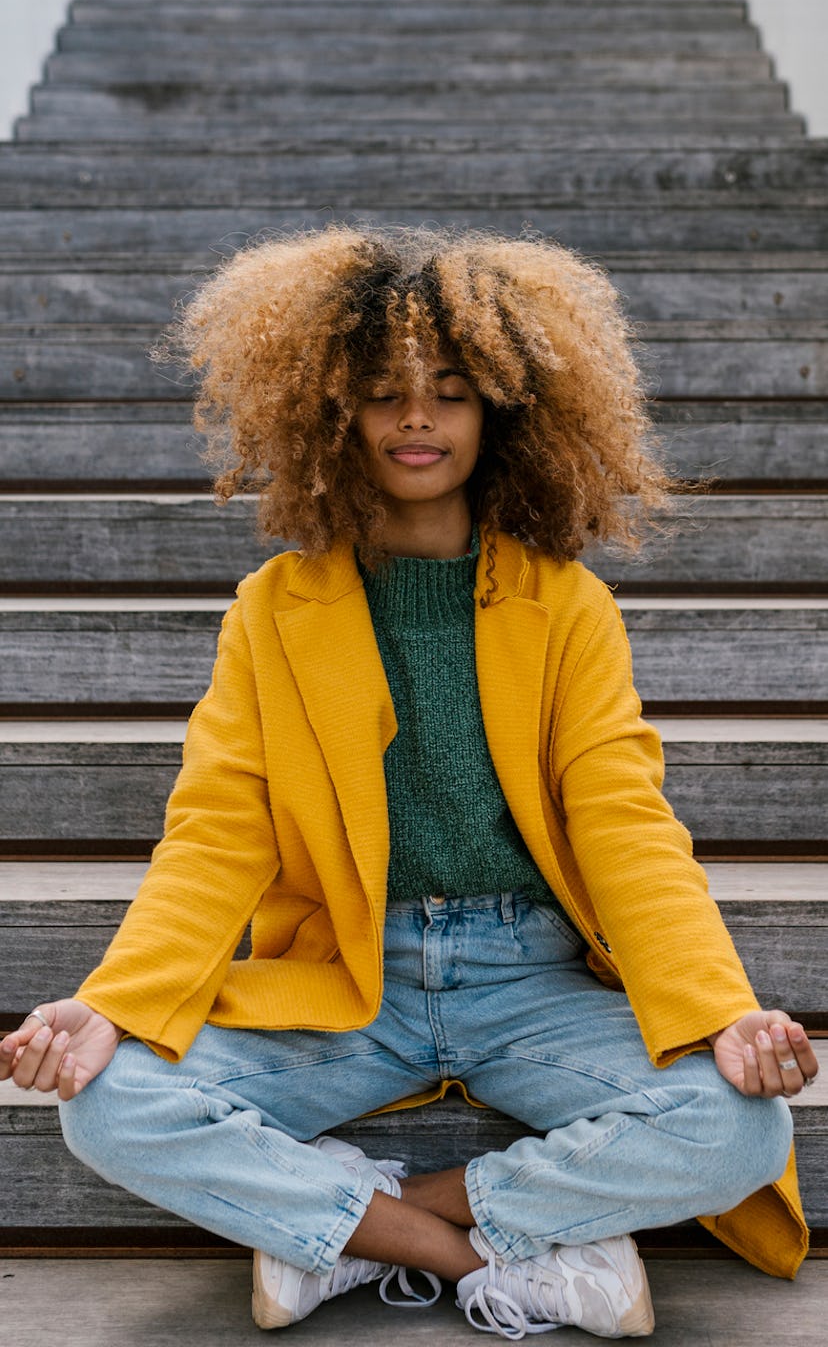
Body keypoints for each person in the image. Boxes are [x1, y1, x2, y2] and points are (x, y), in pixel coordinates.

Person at [0, 227, 817, 1339]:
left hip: (529, 979)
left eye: (450, 393)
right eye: (385, 394)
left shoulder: (568, 606)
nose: (417, 420)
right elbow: (217, 833)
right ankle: (482, 1255)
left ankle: (343, 1222)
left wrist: (720, 1011)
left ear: (502, 414)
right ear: (334, 415)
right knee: (104, 1104)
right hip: (350, 979)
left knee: (742, 1128)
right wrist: (113, 1004)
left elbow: (626, 823)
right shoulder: (271, 611)